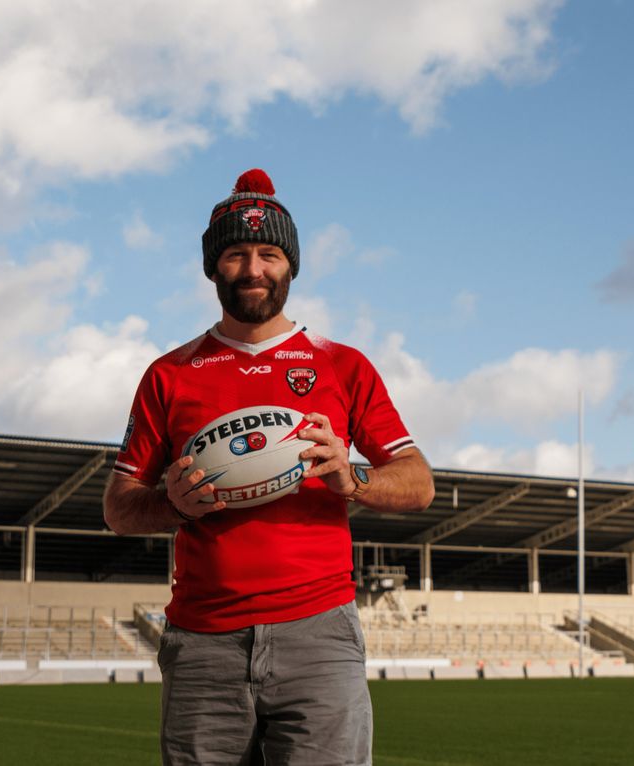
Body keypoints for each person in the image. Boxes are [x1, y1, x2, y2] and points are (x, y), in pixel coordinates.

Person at [103, 168, 434, 765]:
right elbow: (118, 508)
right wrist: (172, 503)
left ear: (291, 265)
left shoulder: (342, 364)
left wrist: (352, 478)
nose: (253, 269)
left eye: (269, 254)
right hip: (203, 641)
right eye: (235, 254)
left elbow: (419, 482)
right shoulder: (169, 374)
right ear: (213, 266)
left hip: (319, 634)